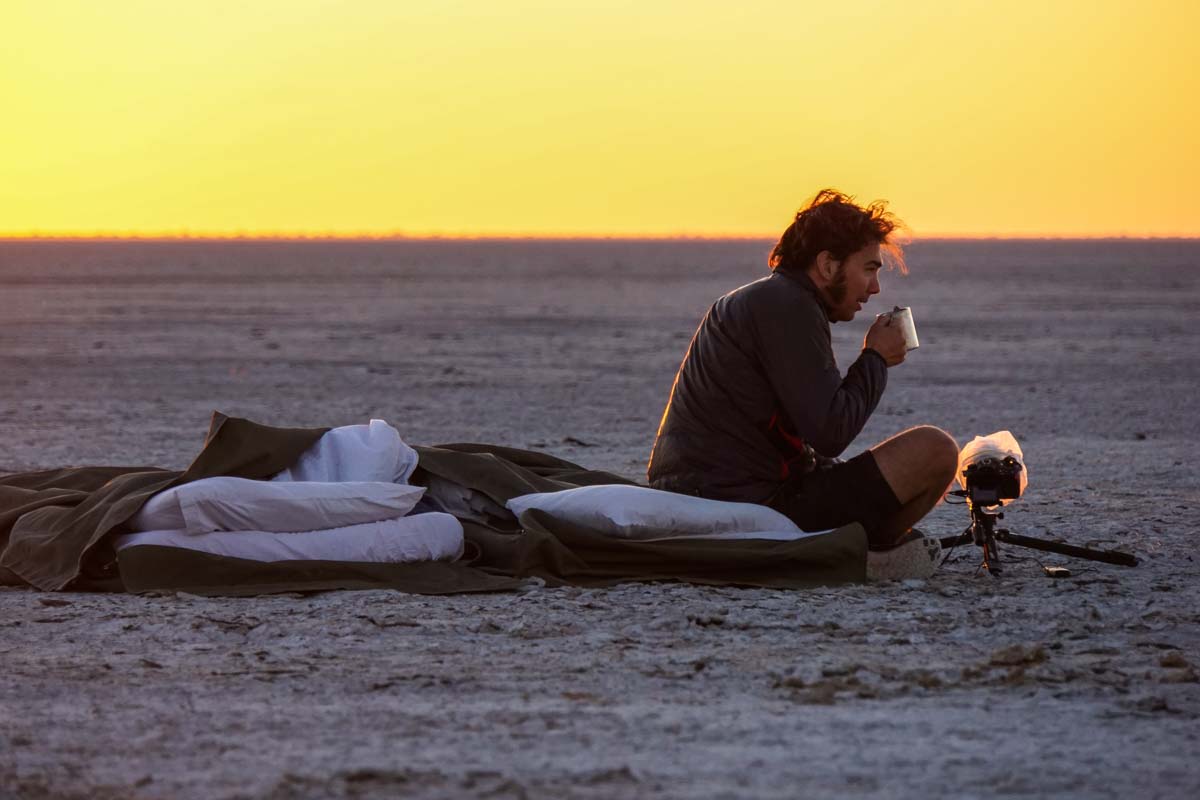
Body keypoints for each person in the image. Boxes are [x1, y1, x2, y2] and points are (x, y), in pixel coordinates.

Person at [647, 189, 958, 551]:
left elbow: (798, 434)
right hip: (744, 503)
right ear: (827, 265)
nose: (874, 288)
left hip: (714, 490)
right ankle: (869, 555)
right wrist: (875, 358)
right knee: (935, 450)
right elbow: (831, 430)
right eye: (869, 269)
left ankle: (868, 549)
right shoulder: (787, 307)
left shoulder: (770, 300)